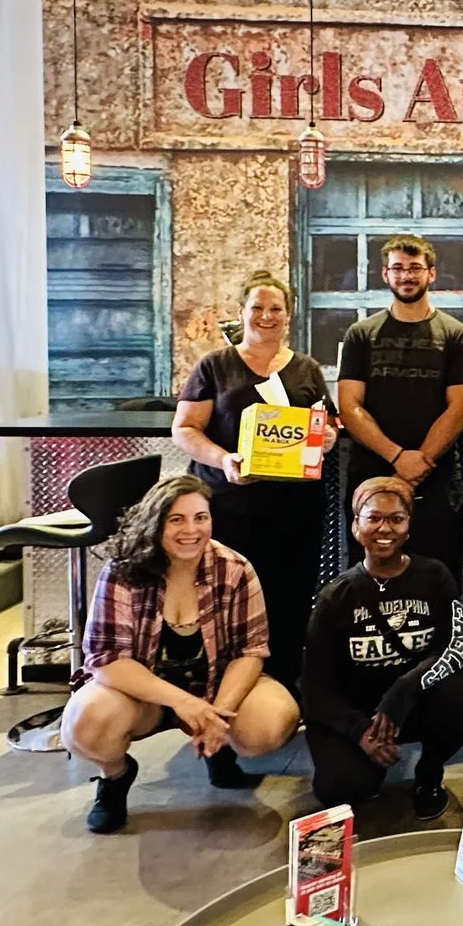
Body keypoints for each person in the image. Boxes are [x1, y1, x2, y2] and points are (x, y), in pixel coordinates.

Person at [62, 475, 301, 833]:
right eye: (177, 519)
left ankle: (219, 749)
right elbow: (106, 660)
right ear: (155, 523)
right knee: (85, 723)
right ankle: (114, 777)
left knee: (272, 721)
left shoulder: (234, 568)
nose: (191, 530)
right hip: (143, 698)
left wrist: (217, 715)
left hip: (214, 686)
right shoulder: (123, 571)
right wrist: (185, 704)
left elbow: (250, 650)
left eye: (200, 518)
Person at [171, 271, 331, 688]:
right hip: (229, 508)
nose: (266, 316)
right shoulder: (215, 366)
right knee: (226, 598)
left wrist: (327, 437)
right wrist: (223, 460)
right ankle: (222, 687)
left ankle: (282, 688)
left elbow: (326, 423)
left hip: (295, 511)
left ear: (288, 315)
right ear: (241, 312)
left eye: (275, 308)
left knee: (289, 599)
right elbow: (184, 429)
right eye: (257, 307)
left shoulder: (306, 369)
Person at [300, 477, 463, 820]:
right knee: (339, 788)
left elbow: (457, 644)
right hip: (357, 711)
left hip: (411, 702)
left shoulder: (435, 576)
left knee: (457, 699)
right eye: (374, 518)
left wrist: (407, 687)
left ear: (409, 526)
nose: (385, 528)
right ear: (356, 526)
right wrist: (359, 730)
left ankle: (428, 775)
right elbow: (314, 687)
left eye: (396, 519)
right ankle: (368, 768)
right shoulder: (335, 597)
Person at [336, 235, 463, 574]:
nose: (406, 276)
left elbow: (459, 407)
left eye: (415, 268)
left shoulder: (456, 335)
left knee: (438, 575)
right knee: (367, 577)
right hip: (370, 477)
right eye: (398, 268)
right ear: (385, 275)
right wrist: (399, 459)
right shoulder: (360, 335)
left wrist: (420, 461)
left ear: (431, 273)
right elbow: (350, 406)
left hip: (436, 480)